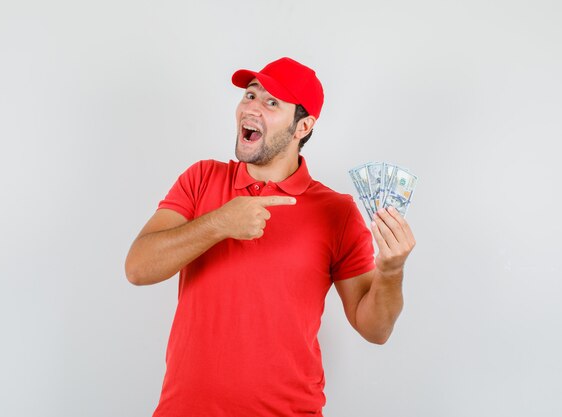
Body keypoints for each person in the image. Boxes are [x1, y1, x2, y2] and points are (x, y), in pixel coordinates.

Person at [125, 57, 416, 417]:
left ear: (303, 126)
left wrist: (391, 271)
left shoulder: (336, 212)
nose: (252, 108)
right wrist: (218, 223)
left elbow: (375, 329)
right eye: (250, 96)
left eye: (272, 102)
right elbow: (138, 268)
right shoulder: (201, 179)